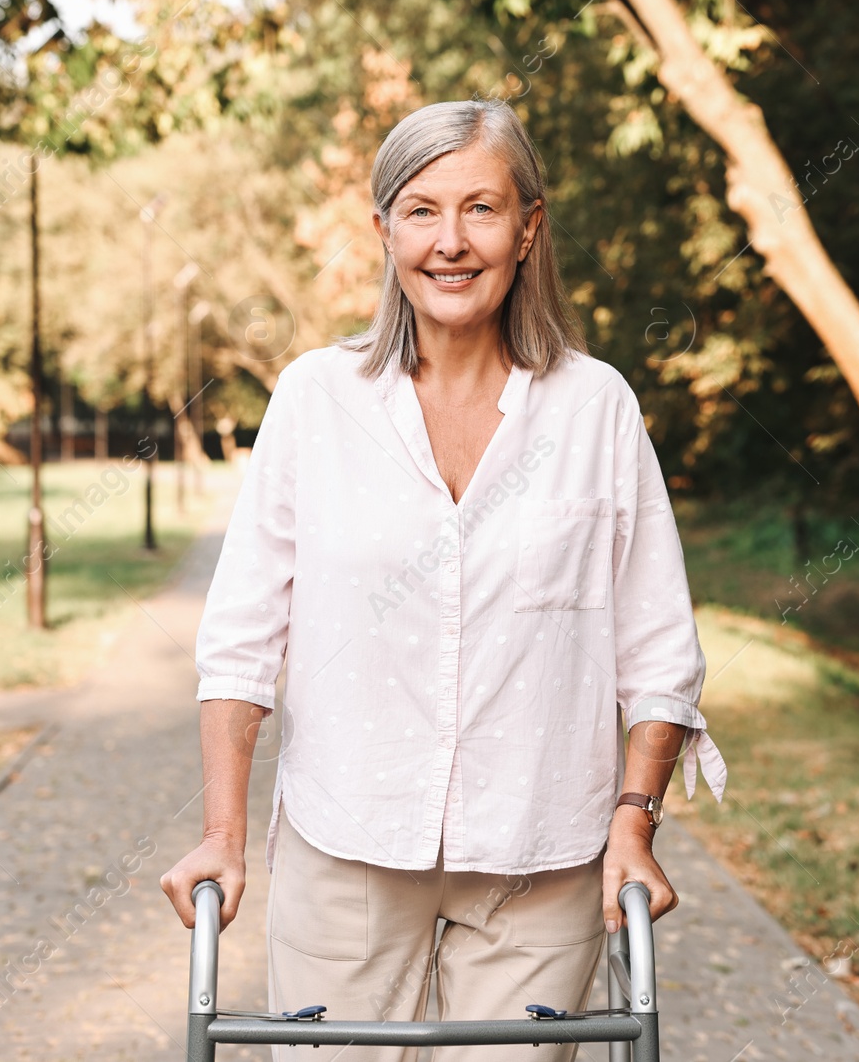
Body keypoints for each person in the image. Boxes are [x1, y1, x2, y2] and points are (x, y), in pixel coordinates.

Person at [161, 98, 726, 1062]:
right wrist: (223, 831)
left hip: (542, 855)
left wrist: (633, 824)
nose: (451, 242)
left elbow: (660, 647)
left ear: (529, 228)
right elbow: (243, 636)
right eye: (421, 211)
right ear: (383, 231)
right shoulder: (315, 398)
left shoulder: (596, 407)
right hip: (346, 845)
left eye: (482, 209)